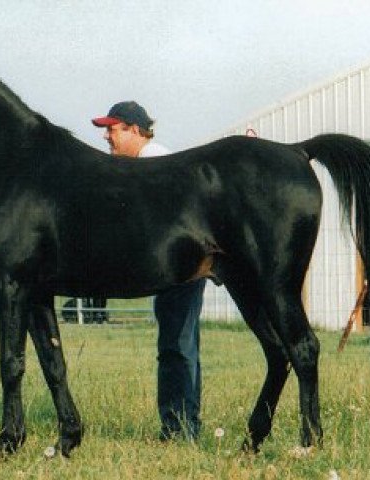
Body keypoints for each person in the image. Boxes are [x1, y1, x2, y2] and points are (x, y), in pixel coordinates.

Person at [91, 101, 207, 440]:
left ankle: (180, 429)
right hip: (174, 265)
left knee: (176, 343)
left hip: (180, 267)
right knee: (179, 342)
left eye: (112, 129)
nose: (106, 137)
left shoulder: (156, 163)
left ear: (134, 130)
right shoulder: (146, 164)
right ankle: (182, 424)